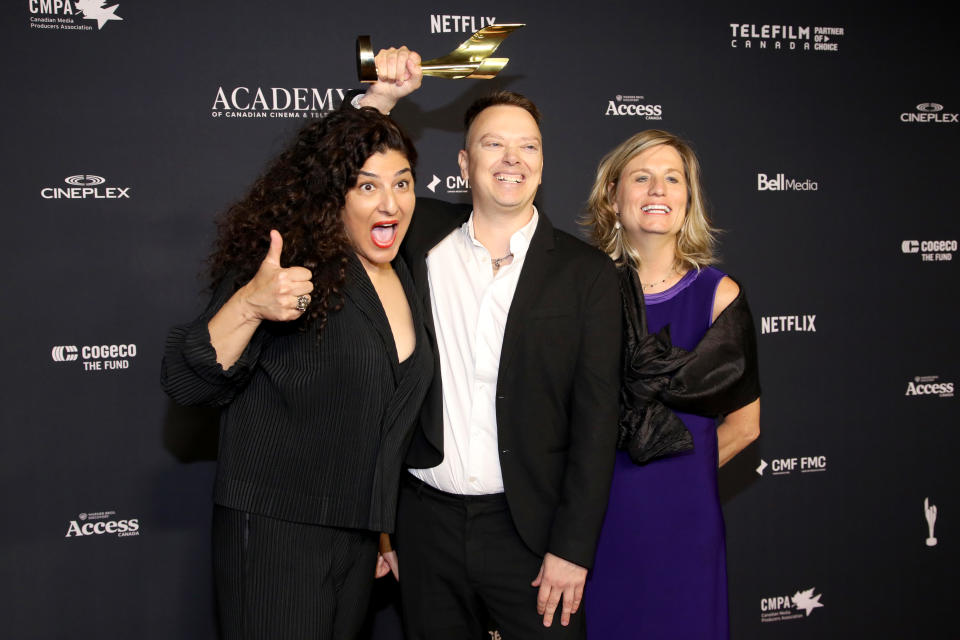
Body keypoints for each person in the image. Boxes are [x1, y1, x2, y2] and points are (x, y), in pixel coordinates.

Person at [357, 49, 621, 638]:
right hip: (424, 524)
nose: (512, 159)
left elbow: (598, 421)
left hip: (530, 534)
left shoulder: (588, 275)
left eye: (528, 146)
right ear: (464, 162)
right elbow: (333, 186)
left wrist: (572, 549)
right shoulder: (412, 235)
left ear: (543, 164)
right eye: (492, 144)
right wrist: (381, 100)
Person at [160, 104, 432, 639]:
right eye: (367, 186)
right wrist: (248, 306)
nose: (391, 203)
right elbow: (185, 379)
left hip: (355, 536)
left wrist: (379, 531)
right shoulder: (290, 265)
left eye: (402, 183)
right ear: (335, 196)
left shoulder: (400, 270)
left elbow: (380, 416)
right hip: (275, 529)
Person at [581, 129, 762, 639]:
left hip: (686, 522)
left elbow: (746, 426)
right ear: (613, 197)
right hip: (598, 520)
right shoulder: (585, 289)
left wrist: (677, 470)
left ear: (688, 198)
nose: (658, 190)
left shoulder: (718, 295)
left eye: (672, 179)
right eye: (641, 178)